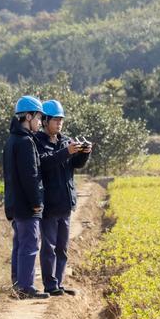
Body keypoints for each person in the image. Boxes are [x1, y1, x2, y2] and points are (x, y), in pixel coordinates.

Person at [35, 99, 91, 296]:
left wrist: (84, 153)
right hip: (50, 204)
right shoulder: (37, 142)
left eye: (61, 121)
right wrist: (65, 152)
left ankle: (59, 283)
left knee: (62, 248)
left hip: (65, 203)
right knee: (48, 247)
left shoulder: (65, 140)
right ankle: (49, 284)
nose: (59, 124)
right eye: (56, 120)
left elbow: (75, 164)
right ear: (45, 121)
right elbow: (44, 163)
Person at [3, 95, 49, 300]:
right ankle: (26, 287)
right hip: (26, 205)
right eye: (38, 118)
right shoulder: (25, 142)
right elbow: (30, 176)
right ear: (28, 117)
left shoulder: (11, 140)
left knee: (20, 245)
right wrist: (37, 203)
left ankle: (18, 284)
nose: (40, 122)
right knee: (30, 245)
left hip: (15, 204)